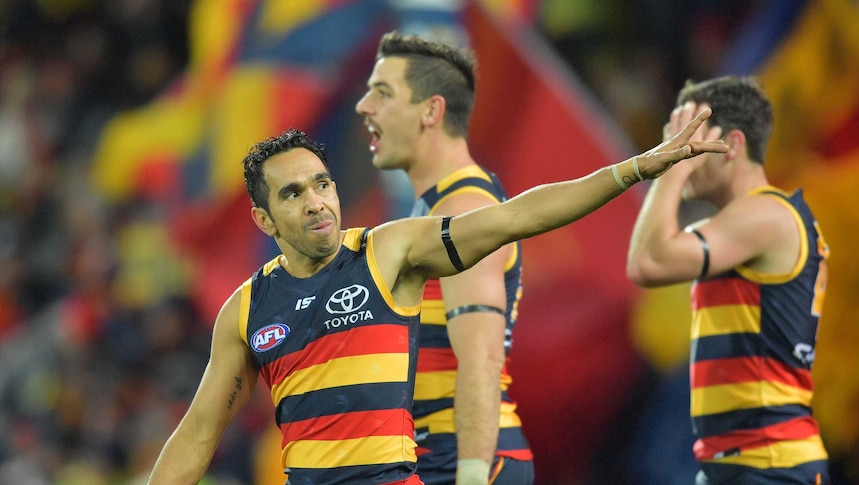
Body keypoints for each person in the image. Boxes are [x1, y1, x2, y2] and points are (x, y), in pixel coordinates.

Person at [147, 114, 726, 484]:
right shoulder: (246, 310)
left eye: (322, 183)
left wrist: (634, 169)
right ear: (262, 218)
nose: (318, 201)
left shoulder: (388, 253)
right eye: (294, 194)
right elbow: (198, 433)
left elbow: (517, 215)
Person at [626, 76, 830, 484]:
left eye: (691, 138)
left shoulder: (765, 217)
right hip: (744, 460)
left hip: (766, 460)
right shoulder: (749, 223)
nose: (681, 148)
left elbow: (647, 262)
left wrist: (669, 167)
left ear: (733, 146)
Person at [354, 31, 532, 484]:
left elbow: (482, 358)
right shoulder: (432, 208)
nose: (364, 106)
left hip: (467, 461)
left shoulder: (463, 209)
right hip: (434, 458)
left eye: (382, 91)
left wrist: (471, 476)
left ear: (432, 111)